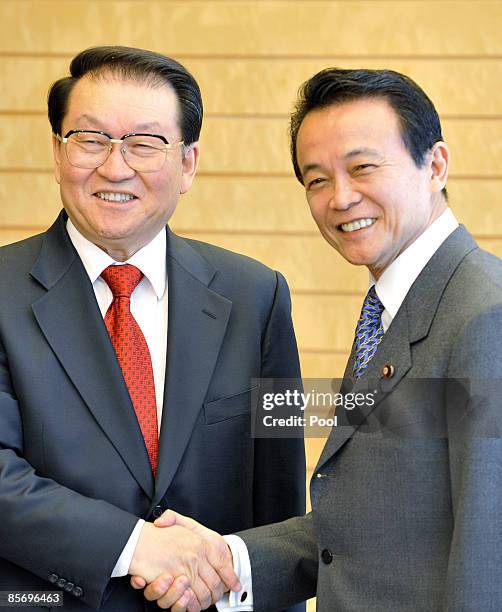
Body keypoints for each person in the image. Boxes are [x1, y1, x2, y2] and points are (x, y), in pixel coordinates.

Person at [142, 68, 502, 611]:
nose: (340, 198)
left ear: (435, 164)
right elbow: (373, 525)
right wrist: (228, 560)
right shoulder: (392, 311)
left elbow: (487, 558)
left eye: (362, 168)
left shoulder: (483, 318)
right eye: (316, 180)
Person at [0, 46, 306, 612]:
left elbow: (277, 511)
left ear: (188, 163)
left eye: (145, 143)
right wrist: (134, 546)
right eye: (90, 140)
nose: (115, 168)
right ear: (56, 150)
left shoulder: (255, 297)